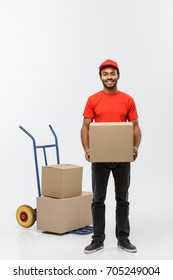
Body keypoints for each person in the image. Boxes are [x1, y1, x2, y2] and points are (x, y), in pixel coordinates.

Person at [81, 59, 142, 254]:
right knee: (98, 199)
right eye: (105, 74)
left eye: (112, 73)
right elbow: (85, 126)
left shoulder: (127, 99)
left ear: (118, 76)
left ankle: (123, 239)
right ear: (100, 77)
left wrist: (135, 146)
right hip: (100, 157)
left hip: (122, 157)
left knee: (122, 198)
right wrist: (87, 149)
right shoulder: (93, 99)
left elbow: (135, 126)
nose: (109, 77)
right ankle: (97, 239)